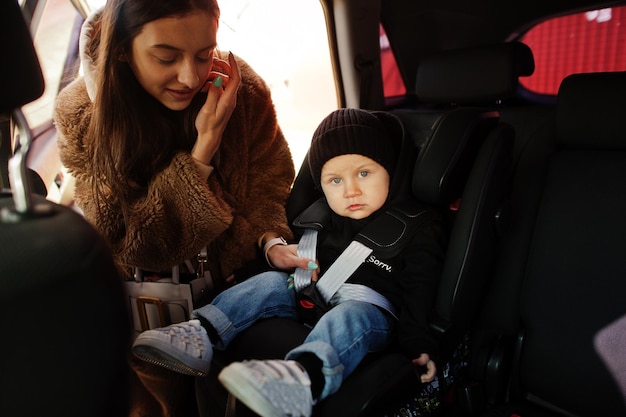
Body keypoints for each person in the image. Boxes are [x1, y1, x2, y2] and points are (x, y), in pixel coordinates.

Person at [53, 0, 313, 415]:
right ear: (122, 48)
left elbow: (271, 186)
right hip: (144, 320)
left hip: (235, 296)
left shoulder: (240, 90)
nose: (190, 76)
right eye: (166, 57)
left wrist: (268, 239)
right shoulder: (82, 114)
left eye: (204, 54)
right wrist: (203, 149)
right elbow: (133, 241)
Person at [131, 108, 448, 417]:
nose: (351, 190)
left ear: (390, 170)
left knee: (352, 315)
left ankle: (302, 377)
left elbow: (420, 290)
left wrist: (418, 345)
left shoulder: (417, 227)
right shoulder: (319, 216)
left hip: (370, 315)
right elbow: (287, 259)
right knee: (271, 282)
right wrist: (245, 275)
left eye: (364, 174)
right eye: (334, 181)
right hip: (310, 296)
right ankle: (201, 333)